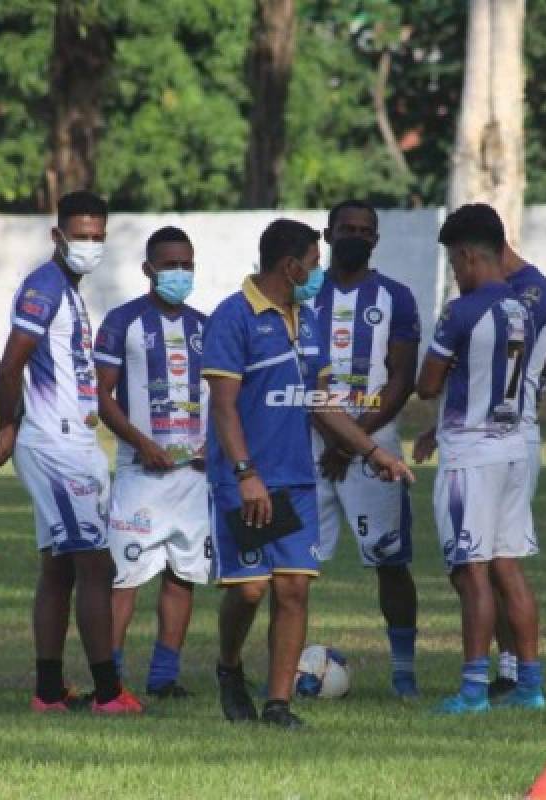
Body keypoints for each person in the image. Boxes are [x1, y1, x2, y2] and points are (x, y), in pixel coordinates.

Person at [202, 218, 414, 729]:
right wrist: (246, 473)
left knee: (294, 589)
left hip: (296, 479)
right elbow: (224, 409)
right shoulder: (232, 317)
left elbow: (320, 404)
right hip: (244, 479)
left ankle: (278, 705)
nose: (319, 273)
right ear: (291, 266)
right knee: (250, 589)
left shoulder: (307, 319)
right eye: (315, 264)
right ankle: (229, 668)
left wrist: (371, 452)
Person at [0, 190, 141, 714]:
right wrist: (7, 425)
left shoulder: (66, 289)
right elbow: (9, 366)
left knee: (59, 569)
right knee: (96, 566)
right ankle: (109, 694)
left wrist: (13, 429)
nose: (89, 245)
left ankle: (48, 692)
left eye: (97, 236)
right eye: (80, 236)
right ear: (57, 236)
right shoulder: (44, 288)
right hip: (58, 449)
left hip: (65, 441)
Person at [413, 203, 546, 714]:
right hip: (514, 449)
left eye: (453, 263)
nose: (454, 273)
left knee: (471, 572)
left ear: (468, 256)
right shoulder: (521, 309)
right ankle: (530, 685)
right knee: (507, 566)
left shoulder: (461, 310)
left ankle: (473, 690)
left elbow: (427, 384)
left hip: (470, 455)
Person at [309, 200, 421, 698]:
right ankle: (281, 664)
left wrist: (355, 440)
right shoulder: (303, 294)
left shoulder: (396, 297)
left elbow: (402, 379)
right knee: (292, 562)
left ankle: (403, 672)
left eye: (364, 230)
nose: (355, 236)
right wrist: (336, 438)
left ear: (376, 239)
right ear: (327, 233)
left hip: (375, 443)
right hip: (306, 443)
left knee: (390, 562)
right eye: (346, 228)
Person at [92, 226, 209, 700]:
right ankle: (112, 678)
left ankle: (164, 677)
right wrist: (141, 442)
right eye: (170, 265)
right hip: (141, 475)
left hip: (195, 477)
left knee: (183, 573)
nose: (179, 273)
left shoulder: (208, 325)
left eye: (187, 265)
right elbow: (101, 395)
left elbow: (225, 396)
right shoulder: (123, 322)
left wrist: (214, 447)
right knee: (125, 577)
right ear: (149, 269)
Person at [487, 241, 546, 699]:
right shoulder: (512, 291)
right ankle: (511, 671)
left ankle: (522, 674)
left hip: (510, 437)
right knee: (487, 565)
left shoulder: (532, 292)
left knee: (499, 562)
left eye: (460, 260)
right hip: (496, 436)